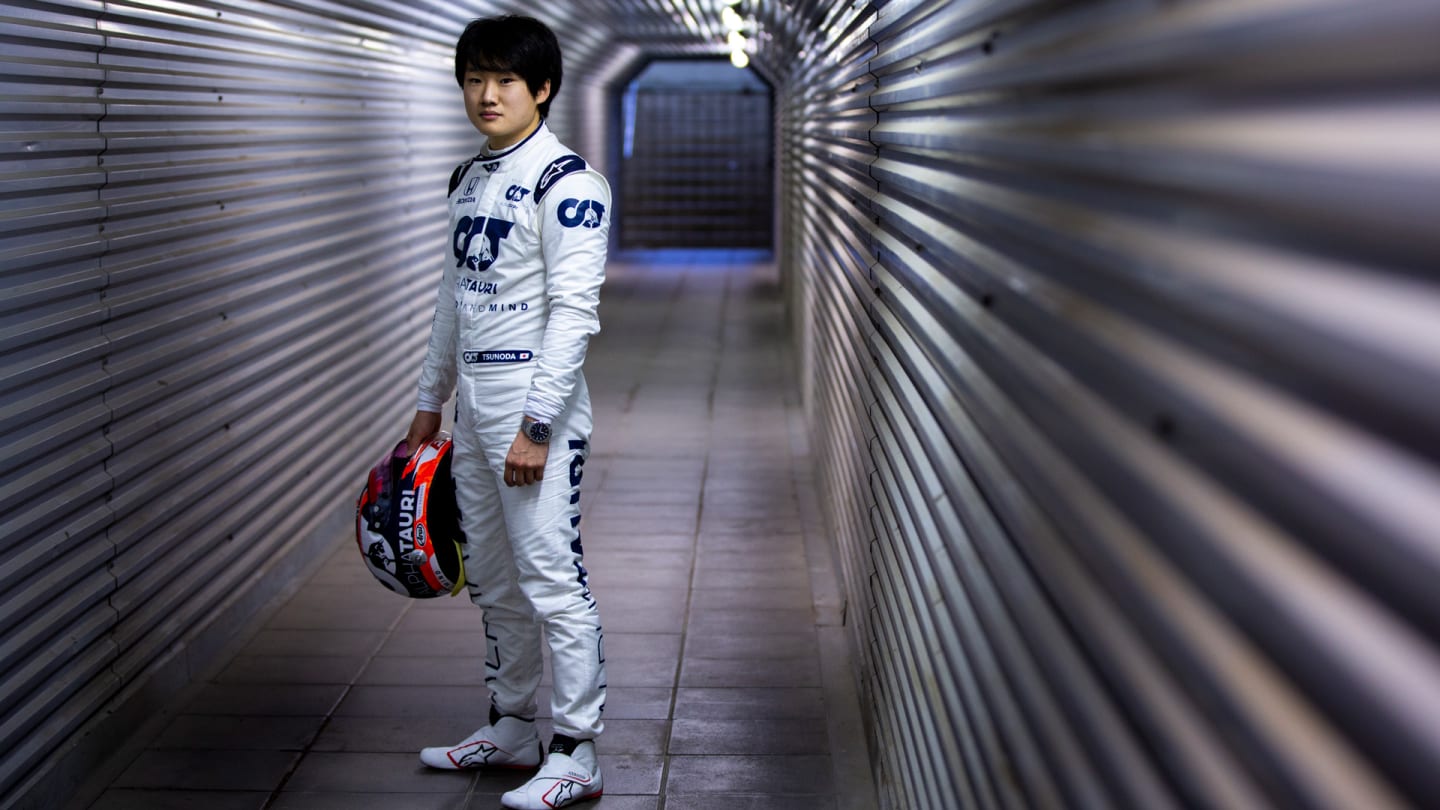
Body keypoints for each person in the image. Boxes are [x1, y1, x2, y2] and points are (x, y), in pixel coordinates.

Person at [407, 14, 608, 810]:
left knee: (552, 579)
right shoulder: (467, 179)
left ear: (543, 89)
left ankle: (577, 748)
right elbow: (453, 302)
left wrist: (536, 425)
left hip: (534, 406)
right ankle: (514, 724)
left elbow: (574, 313)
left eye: (505, 81)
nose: (487, 95)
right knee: (490, 578)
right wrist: (429, 402)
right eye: (474, 79)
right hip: (472, 411)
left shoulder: (569, 184)